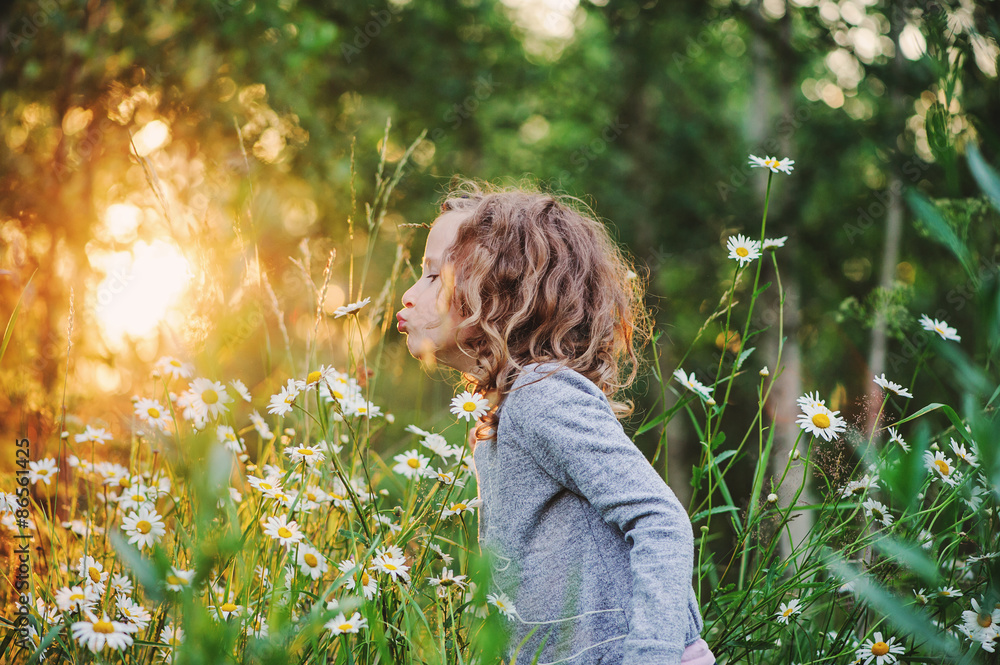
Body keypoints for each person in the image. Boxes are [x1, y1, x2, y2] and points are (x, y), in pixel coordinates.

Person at [397, 178, 715, 665]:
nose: (409, 295)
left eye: (434, 276)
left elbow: (660, 520)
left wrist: (650, 656)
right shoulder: (505, 408)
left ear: (502, 294)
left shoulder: (539, 395)